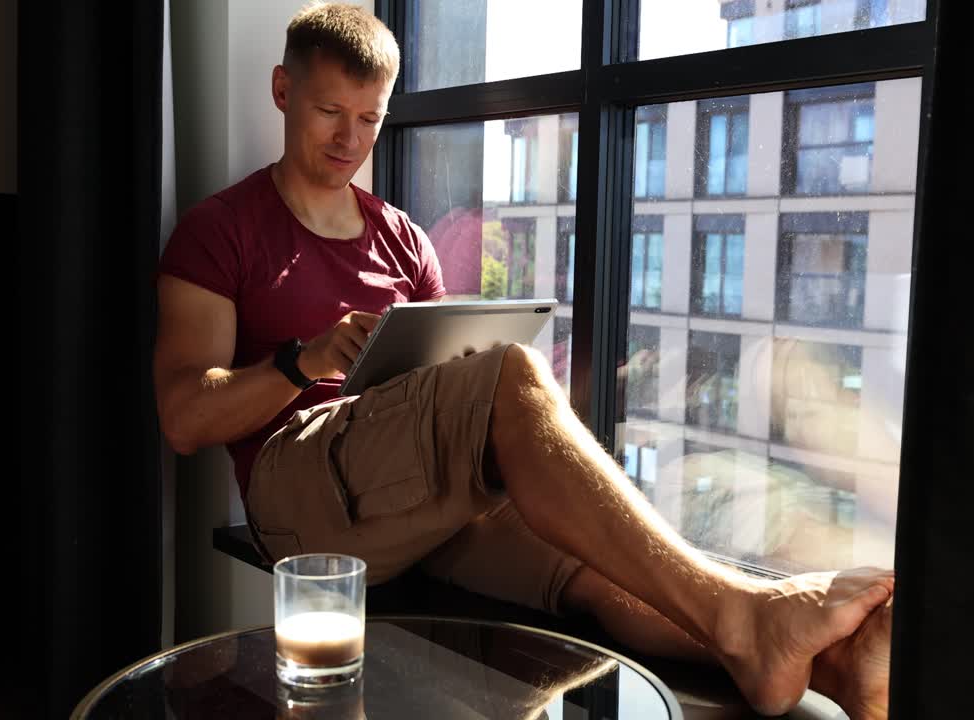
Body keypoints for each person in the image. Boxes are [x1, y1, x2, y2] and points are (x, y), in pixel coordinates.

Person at [153, 4, 895, 717]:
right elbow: (184, 417)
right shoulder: (221, 230)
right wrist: (300, 360)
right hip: (299, 496)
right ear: (284, 91)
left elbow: (441, 389)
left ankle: (830, 668)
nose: (351, 138)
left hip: (405, 488)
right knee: (510, 373)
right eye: (329, 112)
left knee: (598, 563)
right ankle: (748, 615)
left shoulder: (404, 239)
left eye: (370, 118)